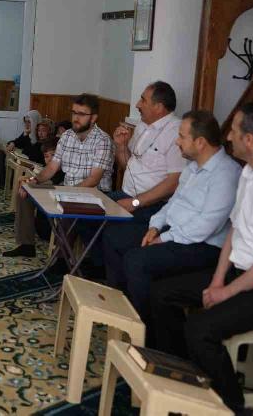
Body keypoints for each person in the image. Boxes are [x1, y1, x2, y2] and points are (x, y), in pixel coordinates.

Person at [149, 103, 253, 414]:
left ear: (250, 140)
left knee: (200, 329)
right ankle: (180, 378)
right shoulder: (249, 174)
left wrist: (225, 292)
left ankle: (232, 405)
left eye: (234, 132)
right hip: (239, 273)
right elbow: (234, 233)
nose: (228, 137)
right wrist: (216, 279)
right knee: (161, 293)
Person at [102, 110, 241, 324]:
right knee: (114, 236)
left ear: (201, 142)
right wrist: (155, 227)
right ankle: (124, 309)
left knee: (136, 260)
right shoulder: (193, 168)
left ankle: (144, 330)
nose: (177, 142)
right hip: (175, 234)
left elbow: (206, 226)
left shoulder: (226, 174)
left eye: (182, 136)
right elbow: (173, 204)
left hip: (203, 246)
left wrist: (164, 239)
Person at [3, 94, 114, 258]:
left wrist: (67, 194)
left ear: (93, 118)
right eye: (74, 113)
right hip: (67, 188)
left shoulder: (103, 140)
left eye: (82, 114)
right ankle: (26, 244)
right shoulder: (67, 136)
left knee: (67, 208)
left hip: (94, 194)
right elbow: (52, 167)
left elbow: (94, 179)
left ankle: (61, 259)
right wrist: (34, 180)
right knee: (26, 189)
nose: (76, 118)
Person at [97, 81, 185, 263]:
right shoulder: (142, 126)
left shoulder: (176, 132)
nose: (137, 104)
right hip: (126, 194)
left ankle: (106, 276)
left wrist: (135, 203)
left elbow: (174, 182)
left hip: (151, 204)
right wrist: (120, 146)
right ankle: (93, 267)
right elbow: (127, 165)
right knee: (87, 213)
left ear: (159, 107)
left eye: (143, 100)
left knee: (112, 233)